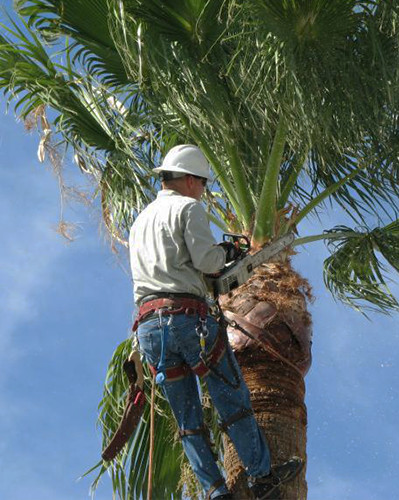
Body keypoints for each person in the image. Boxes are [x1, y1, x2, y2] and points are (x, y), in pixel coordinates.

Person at [129, 145, 302, 500]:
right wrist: (228, 253)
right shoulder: (188, 208)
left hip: (149, 327)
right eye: (203, 184)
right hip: (188, 321)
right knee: (231, 399)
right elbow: (208, 263)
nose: (203, 191)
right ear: (191, 180)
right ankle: (261, 475)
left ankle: (215, 491)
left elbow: (172, 268)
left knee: (188, 422)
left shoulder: (140, 221)